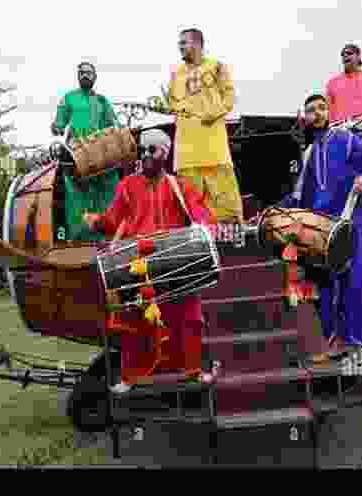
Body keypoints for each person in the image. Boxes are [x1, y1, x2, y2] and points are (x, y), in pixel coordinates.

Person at [83, 129, 216, 393]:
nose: (145, 155)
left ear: (165, 154)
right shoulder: (127, 186)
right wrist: (96, 221)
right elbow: (113, 219)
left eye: (152, 150)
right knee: (134, 322)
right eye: (142, 150)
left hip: (174, 261)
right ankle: (130, 378)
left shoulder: (180, 185)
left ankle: (192, 371)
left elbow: (201, 214)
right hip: (139, 263)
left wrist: (204, 227)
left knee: (188, 317)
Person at [279, 97, 362, 364]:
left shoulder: (347, 140)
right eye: (312, 110)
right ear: (306, 118)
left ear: (329, 112)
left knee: (353, 284)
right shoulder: (309, 153)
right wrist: (279, 211)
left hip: (349, 225)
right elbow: (300, 197)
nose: (318, 113)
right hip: (321, 230)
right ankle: (334, 343)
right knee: (325, 289)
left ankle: (358, 344)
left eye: (322, 108)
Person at [167, 28, 244, 223]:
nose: (180, 47)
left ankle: (231, 243)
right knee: (189, 204)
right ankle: (193, 244)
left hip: (213, 148)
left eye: (184, 43)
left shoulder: (217, 66)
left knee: (225, 201)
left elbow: (229, 98)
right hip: (186, 151)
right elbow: (173, 104)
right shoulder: (176, 72)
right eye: (180, 43)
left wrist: (214, 113)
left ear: (198, 44)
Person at [51, 62, 122, 241]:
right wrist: (57, 127)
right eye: (82, 73)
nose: (85, 75)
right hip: (77, 156)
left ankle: (107, 236)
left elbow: (114, 126)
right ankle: (79, 238)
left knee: (107, 192)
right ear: (77, 76)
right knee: (77, 196)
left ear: (95, 77)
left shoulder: (102, 101)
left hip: (100, 155)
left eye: (89, 73)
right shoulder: (69, 98)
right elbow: (59, 123)